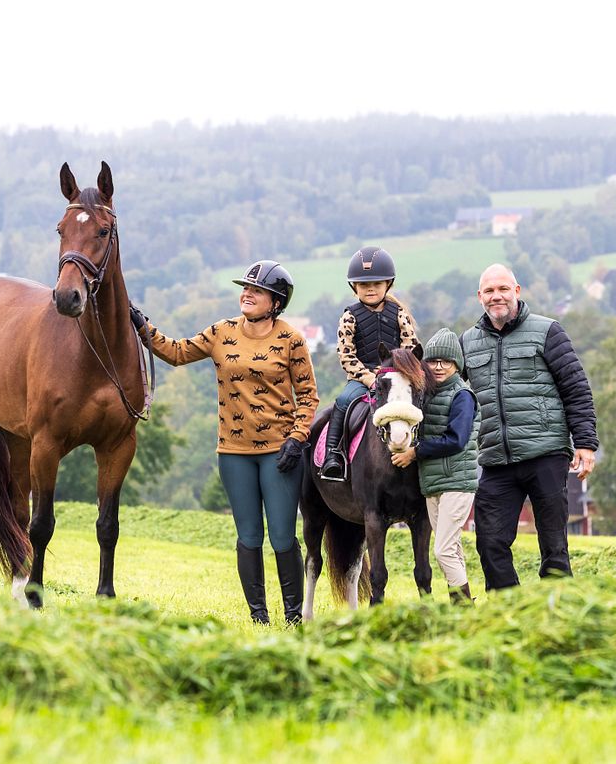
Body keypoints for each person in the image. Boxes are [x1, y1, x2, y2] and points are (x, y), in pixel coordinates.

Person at [129, 259, 318, 625]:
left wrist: (297, 439)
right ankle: (258, 618)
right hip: (233, 454)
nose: (246, 294)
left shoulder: (291, 339)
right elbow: (177, 352)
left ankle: (293, 617)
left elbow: (308, 396)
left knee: (281, 537)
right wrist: (142, 325)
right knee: (248, 535)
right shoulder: (221, 332)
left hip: (280, 453)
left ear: (276, 302)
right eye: (245, 288)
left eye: (256, 290)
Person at [461, 263, 599, 588]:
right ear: (479, 297)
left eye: (503, 289)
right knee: (490, 542)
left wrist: (585, 443)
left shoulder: (548, 331)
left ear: (517, 291)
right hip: (496, 461)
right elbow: (446, 389)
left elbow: (576, 388)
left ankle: (556, 611)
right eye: (490, 291)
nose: (497, 296)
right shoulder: (467, 342)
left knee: (554, 547)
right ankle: (511, 612)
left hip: (546, 454)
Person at [389, 328, 478, 604]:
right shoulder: (425, 394)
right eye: (433, 361)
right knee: (452, 549)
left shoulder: (462, 395)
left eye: (446, 362)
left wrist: (414, 453)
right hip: (434, 483)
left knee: (442, 551)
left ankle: (463, 607)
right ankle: (463, 606)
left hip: (456, 482)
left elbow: (456, 439)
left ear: (457, 365)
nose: (438, 367)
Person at [323, 245, 420, 479]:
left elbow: (410, 345)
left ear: (388, 284)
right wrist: (368, 378)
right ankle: (333, 454)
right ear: (354, 287)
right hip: (362, 376)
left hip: (396, 375)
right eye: (364, 285)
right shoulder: (349, 316)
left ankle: (424, 448)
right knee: (343, 401)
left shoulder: (399, 313)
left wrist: (398, 372)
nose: (370, 289)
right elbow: (346, 355)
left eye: (376, 284)